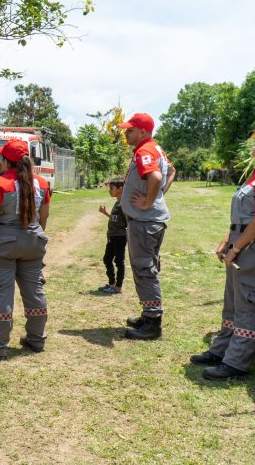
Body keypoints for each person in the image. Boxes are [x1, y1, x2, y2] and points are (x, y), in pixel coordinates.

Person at [190, 128, 255, 380]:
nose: (253, 142)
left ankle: (236, 363)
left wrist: (237, 247)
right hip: (242, 240)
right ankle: (222, 349)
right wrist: (228, 239)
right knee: (232, 302)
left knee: (248, 303)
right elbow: (242, 216)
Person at [0, 138, 50, 360]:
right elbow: (44, 215)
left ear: (7, 161)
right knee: (35, 290)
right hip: (33, 240)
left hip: (4, 244)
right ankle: (36, 339)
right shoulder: (42, 183)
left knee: (2, 292)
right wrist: (34, 234)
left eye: (0, 158)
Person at [118, 113, 176, 340]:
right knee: (146, 268)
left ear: (142, 132)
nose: (126, 133)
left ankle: (153, 324)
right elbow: (171, 172)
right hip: (151, 220)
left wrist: (150, 200)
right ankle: (148, 313)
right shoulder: (156, 149)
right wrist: (159, 195)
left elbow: (154, 175)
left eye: (130, 130)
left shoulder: (145, 151)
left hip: (145, 222)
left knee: (144, 269)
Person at [98, 178, 127, 295]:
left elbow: (128, 222)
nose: (109, 190)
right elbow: (116, 219)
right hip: (112, 237)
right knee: (107, 259)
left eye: (111, 188)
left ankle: (118, 287)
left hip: (119, 237)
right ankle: (111, 284)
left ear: (120, 189)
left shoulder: (124, 204)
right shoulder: (117, 202)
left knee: (119, 261)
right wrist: (106, 214)